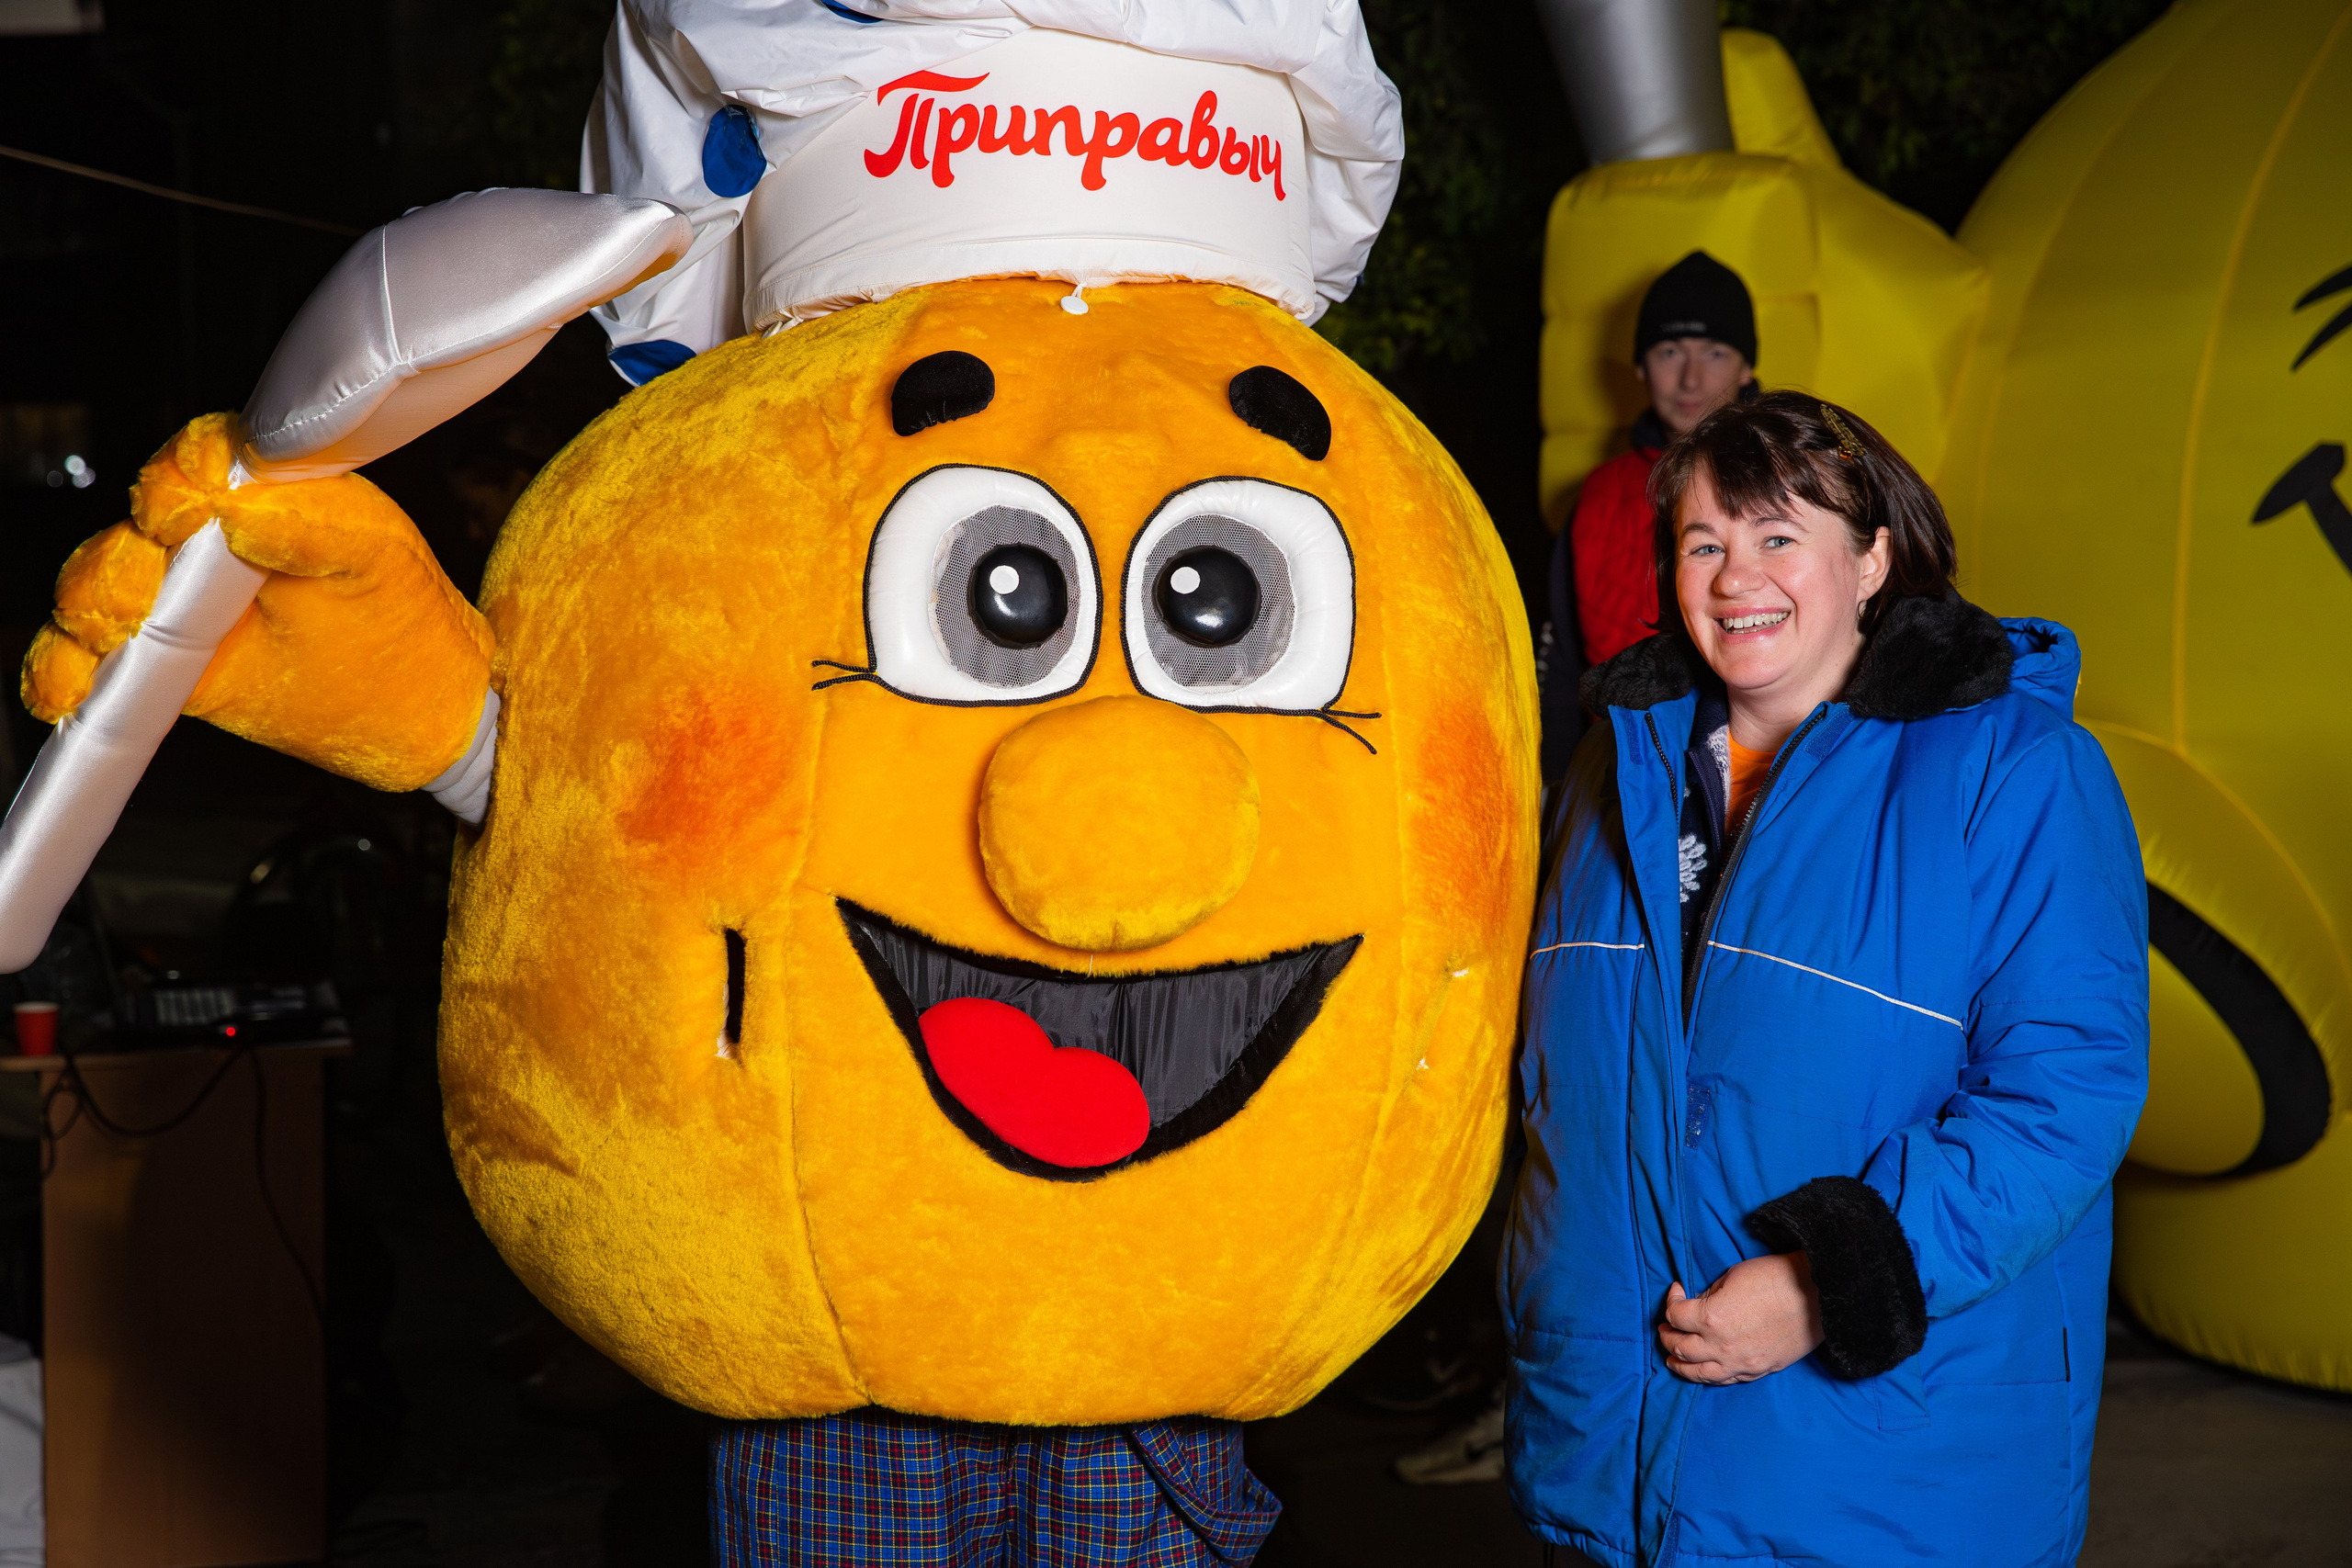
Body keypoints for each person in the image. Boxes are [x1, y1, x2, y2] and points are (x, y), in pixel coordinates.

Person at [1508, 392, 2148, 1567]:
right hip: (1609, 1460)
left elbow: (2068, 1093)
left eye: (1777, 537)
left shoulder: (2015, 771)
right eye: (1704, 542)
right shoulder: (1613, 776)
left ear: (1870, 561)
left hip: (1883, 1476)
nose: (1733, 575)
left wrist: (1829, 1284)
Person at [1540, 250, 1757, 780]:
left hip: (1765, 783)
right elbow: (1562, 666)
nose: (1690, 378)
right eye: (1669, 351)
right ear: (1639, 365)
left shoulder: (1803, 480)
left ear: (1747, 367)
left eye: (1714, 353)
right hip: (1620, 786)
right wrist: (1553, 791)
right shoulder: (1597, 496)